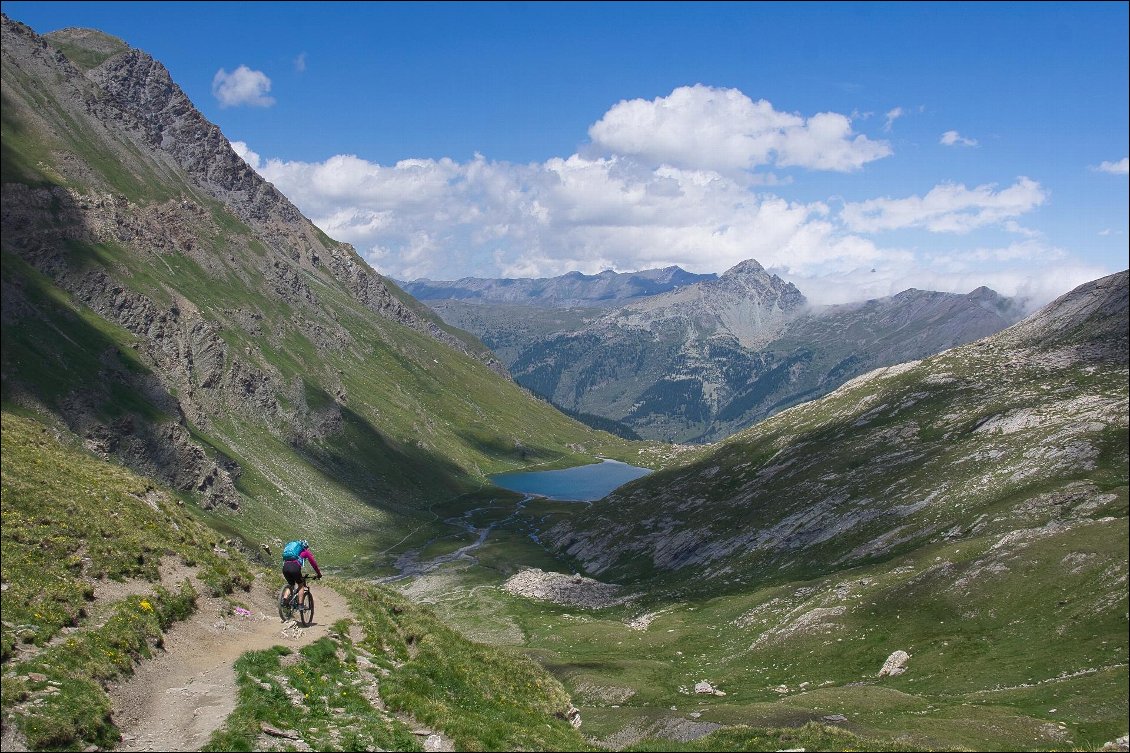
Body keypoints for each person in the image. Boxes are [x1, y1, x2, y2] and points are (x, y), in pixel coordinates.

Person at [281, 538, 322, 611]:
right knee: (301, 585)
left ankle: (284, 600)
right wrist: (319, 574)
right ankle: (300, 605)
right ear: (305, 546)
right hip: (295, 568)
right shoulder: (305, 552)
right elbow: (314, 564)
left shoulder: (292, 552)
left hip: (285, 568)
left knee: (291, 584)